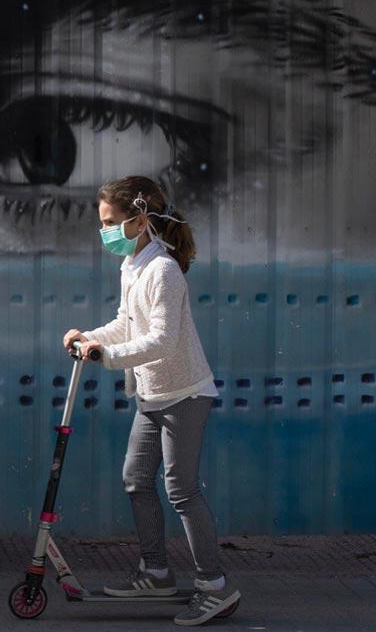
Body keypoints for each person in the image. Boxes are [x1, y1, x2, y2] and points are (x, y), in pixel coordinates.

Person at [63, 175, 240, 627]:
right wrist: (90, 337)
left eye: (109, 222)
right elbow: (127, 322)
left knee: (182, 490)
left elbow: (161, 339)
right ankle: (156, 571)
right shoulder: (134, 267)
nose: (103, 232)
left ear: (139, 221)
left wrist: (108, 356)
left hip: (184, 395)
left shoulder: (163, 269)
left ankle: (214, 586)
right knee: (136, 480)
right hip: (152, 393)